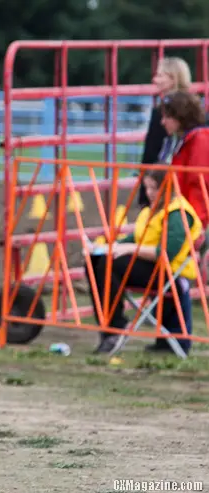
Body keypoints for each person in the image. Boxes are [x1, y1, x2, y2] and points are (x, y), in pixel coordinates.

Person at [85, 168, 201, 355]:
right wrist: (104, 247)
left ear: (168, 188)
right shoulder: (151, 210)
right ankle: (108, 326)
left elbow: (166, 253)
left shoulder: (178, 213)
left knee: (110, 264)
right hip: (148, 269)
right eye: (147, 188)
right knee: (94, 261)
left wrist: (129, 249)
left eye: (154, 188)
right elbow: (134, 238)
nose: (149, 193)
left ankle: (116, 326)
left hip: (168, 275)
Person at [138, 57, 192, 207]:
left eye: (161, 75)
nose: (155, 80)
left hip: (164, 180)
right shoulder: (195, 108)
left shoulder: (161, 112)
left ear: (174, 79)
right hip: (188, 182)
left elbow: (151, 151)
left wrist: (144, 192)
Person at [158, 91, 209, 229]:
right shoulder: (185, 140)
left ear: (180, 117)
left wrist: (194, 225)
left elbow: (199, 186)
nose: (163, 122)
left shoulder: (199, 140)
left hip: (192, 220)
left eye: (167, 117)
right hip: (184, 216)